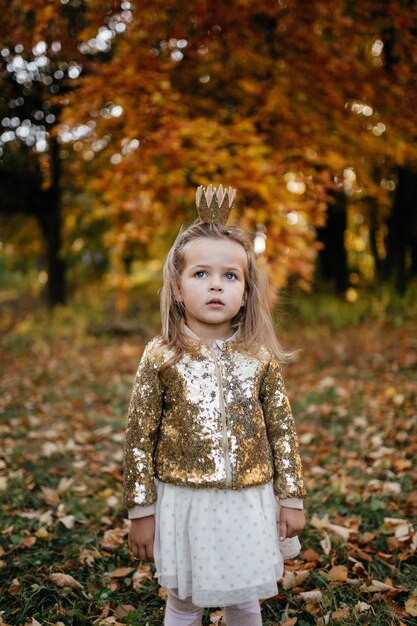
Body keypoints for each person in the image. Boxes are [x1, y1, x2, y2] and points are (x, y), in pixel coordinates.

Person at [123, 185, 306, 626]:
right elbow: (137, 437)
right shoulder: (161, 355)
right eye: (201, 274)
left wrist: (292, 496)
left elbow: (282, 430)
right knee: (184, 601)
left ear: (245, 292)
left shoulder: (258, 359)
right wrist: (140, 511)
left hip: (248, 500)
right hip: (185, 502)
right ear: (178, 286)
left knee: (244, 600)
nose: (216, 286)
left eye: (230, 276)